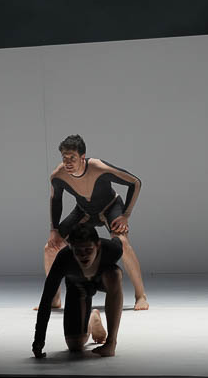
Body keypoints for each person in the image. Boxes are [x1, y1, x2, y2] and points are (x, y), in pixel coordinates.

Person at [41, 134, 148, 310]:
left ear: (82, 157)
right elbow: (56, 200)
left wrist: (126, 215)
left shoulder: (98, 167)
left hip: (110, 207)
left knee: (122, 243)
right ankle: (54, 298)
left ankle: (141, 296)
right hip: (84, 211)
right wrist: (54, 230)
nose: (68, 162)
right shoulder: (58, 175)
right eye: (64, 158)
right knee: (50, 248)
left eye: (72, 158)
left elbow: (135, 183)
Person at [33, 225, 122, 358]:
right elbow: (46, 298)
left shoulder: (112, 250)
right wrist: (39, 340)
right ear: (71, 247)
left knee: (115, 274)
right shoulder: (63, 259)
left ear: (97, 245)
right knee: (75, 345)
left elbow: (118, 241)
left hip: (101, 281)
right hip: (78, 287)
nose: (83, 255)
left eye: (88, 250)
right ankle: (92, 319)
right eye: (78, 251)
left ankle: (111, 343)